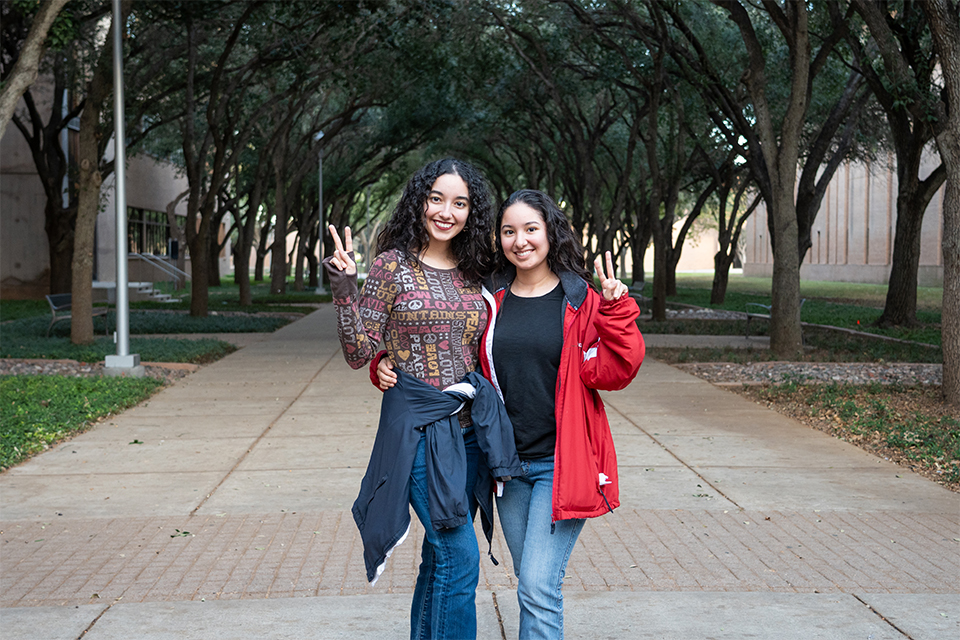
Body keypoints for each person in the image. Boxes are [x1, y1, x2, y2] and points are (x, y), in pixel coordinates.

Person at [377, 188, 644, 639]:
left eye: (530, 229)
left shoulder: (581, 301)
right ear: (498, 238)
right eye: (508, 231)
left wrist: (616, 309)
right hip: (506, 467)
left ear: (550, 232)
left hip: (562, 464)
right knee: (530, 581)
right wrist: (385, 362)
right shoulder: (488, 298)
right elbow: (441, 344)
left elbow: (617, 369)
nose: (520, 240)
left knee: (538, 588)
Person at [324, 158, 520, 640]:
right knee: (459, 556)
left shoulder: (481, 270)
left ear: (472, 211)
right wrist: (345, 286)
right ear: (420, 201)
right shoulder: (393, 266)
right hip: (415, 431)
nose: (446, 211)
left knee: (439, 559)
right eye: (437, 198)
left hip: (472, 434)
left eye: (460, 202)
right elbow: (358, 350)